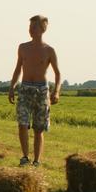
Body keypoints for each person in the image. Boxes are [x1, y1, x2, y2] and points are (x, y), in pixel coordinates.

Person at [8, 15, 62, 167]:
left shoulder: (49, 50)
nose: (30, 30)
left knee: (39, 129)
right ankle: (25, 157)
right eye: (29, 27)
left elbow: (58, 74)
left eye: (33, 27)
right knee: (22, 124)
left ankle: (37, 161)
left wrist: (56, 92)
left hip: (42, 91)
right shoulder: (23, 47)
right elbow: (18, 69)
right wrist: (12, 87)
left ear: (42, 29)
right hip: (25, 89)